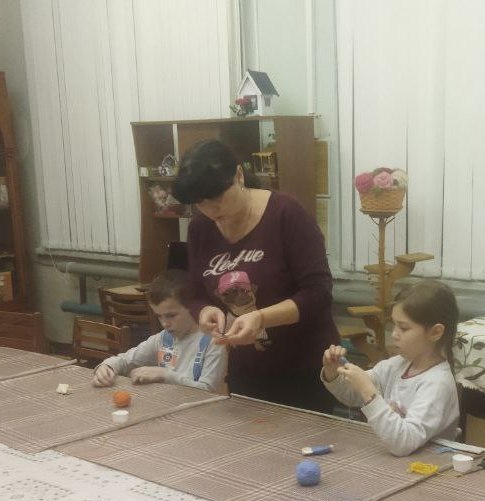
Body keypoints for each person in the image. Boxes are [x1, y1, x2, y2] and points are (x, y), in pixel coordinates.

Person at [172, 139, 339, 413]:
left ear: (239, 175)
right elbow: (195, 291)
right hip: (247, 369)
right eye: (200, 203)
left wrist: (261, 318)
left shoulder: (287, 214)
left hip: (304, 368)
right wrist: (205, 311)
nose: (211, 210)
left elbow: (318, 293)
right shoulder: (201, 228)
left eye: (216, 197)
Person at [322, 280, 460, 456]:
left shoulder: (437, 384)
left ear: (435, 332)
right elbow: (352, 395)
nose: (394, 334)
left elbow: (404, 443)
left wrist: (367, 390)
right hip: (395, 463)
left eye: (404, 328)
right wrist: (333, 372)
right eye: (394, 325)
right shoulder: (396, 365)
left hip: (430, 466)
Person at [91, 269, 226, 392]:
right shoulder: (163, 338)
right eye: (159, 316)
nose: (164, 323)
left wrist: (166, 376)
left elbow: (209, 390)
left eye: (171, 315)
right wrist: (107, 367)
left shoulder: (213, 341)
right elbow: (125, 360)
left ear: (194, 307)